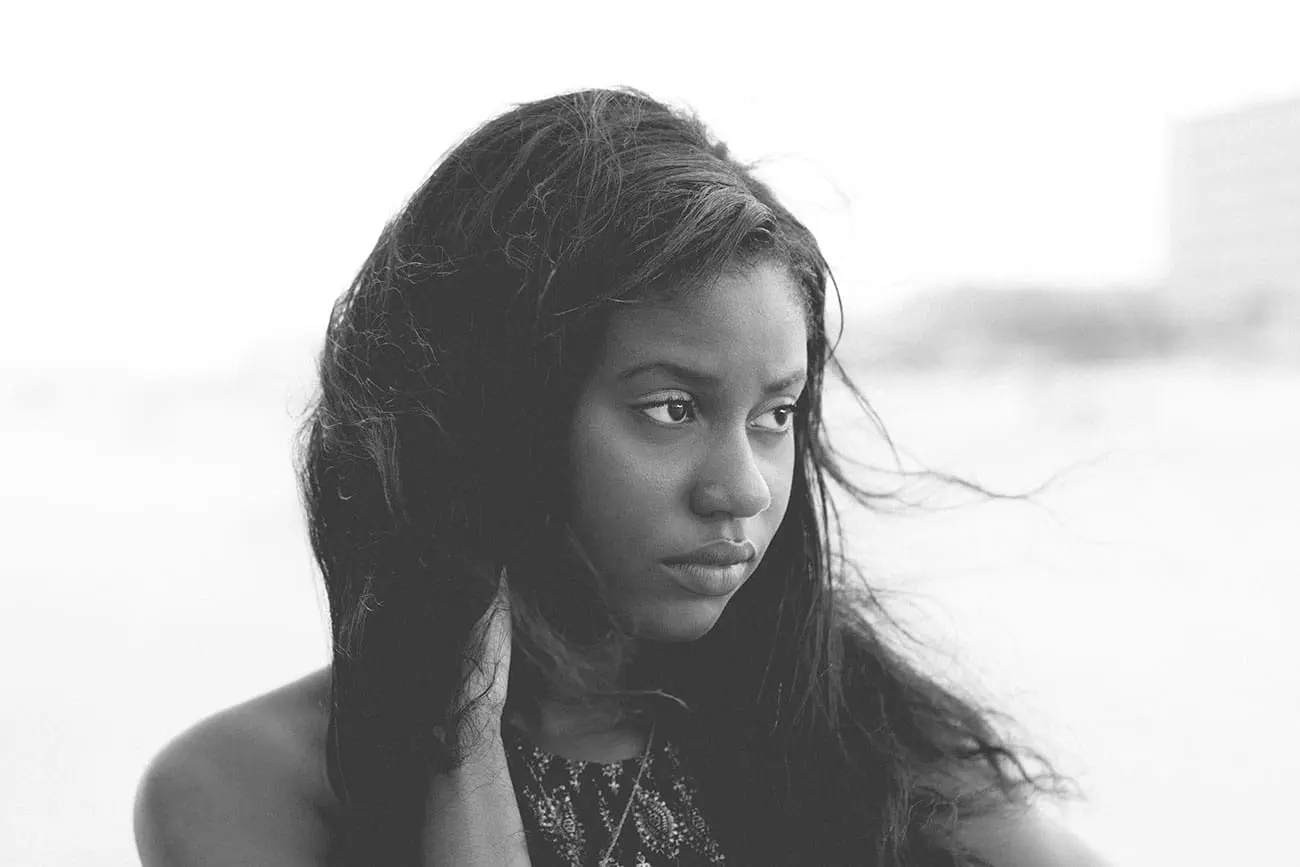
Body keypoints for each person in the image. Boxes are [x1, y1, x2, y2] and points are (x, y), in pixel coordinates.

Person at [133, 88, 1109, 866]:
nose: (744, 489)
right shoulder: (248, 788)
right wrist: (460, 753)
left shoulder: (847, 730)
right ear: (489, 413)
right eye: (671, 408)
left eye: (775, 416)